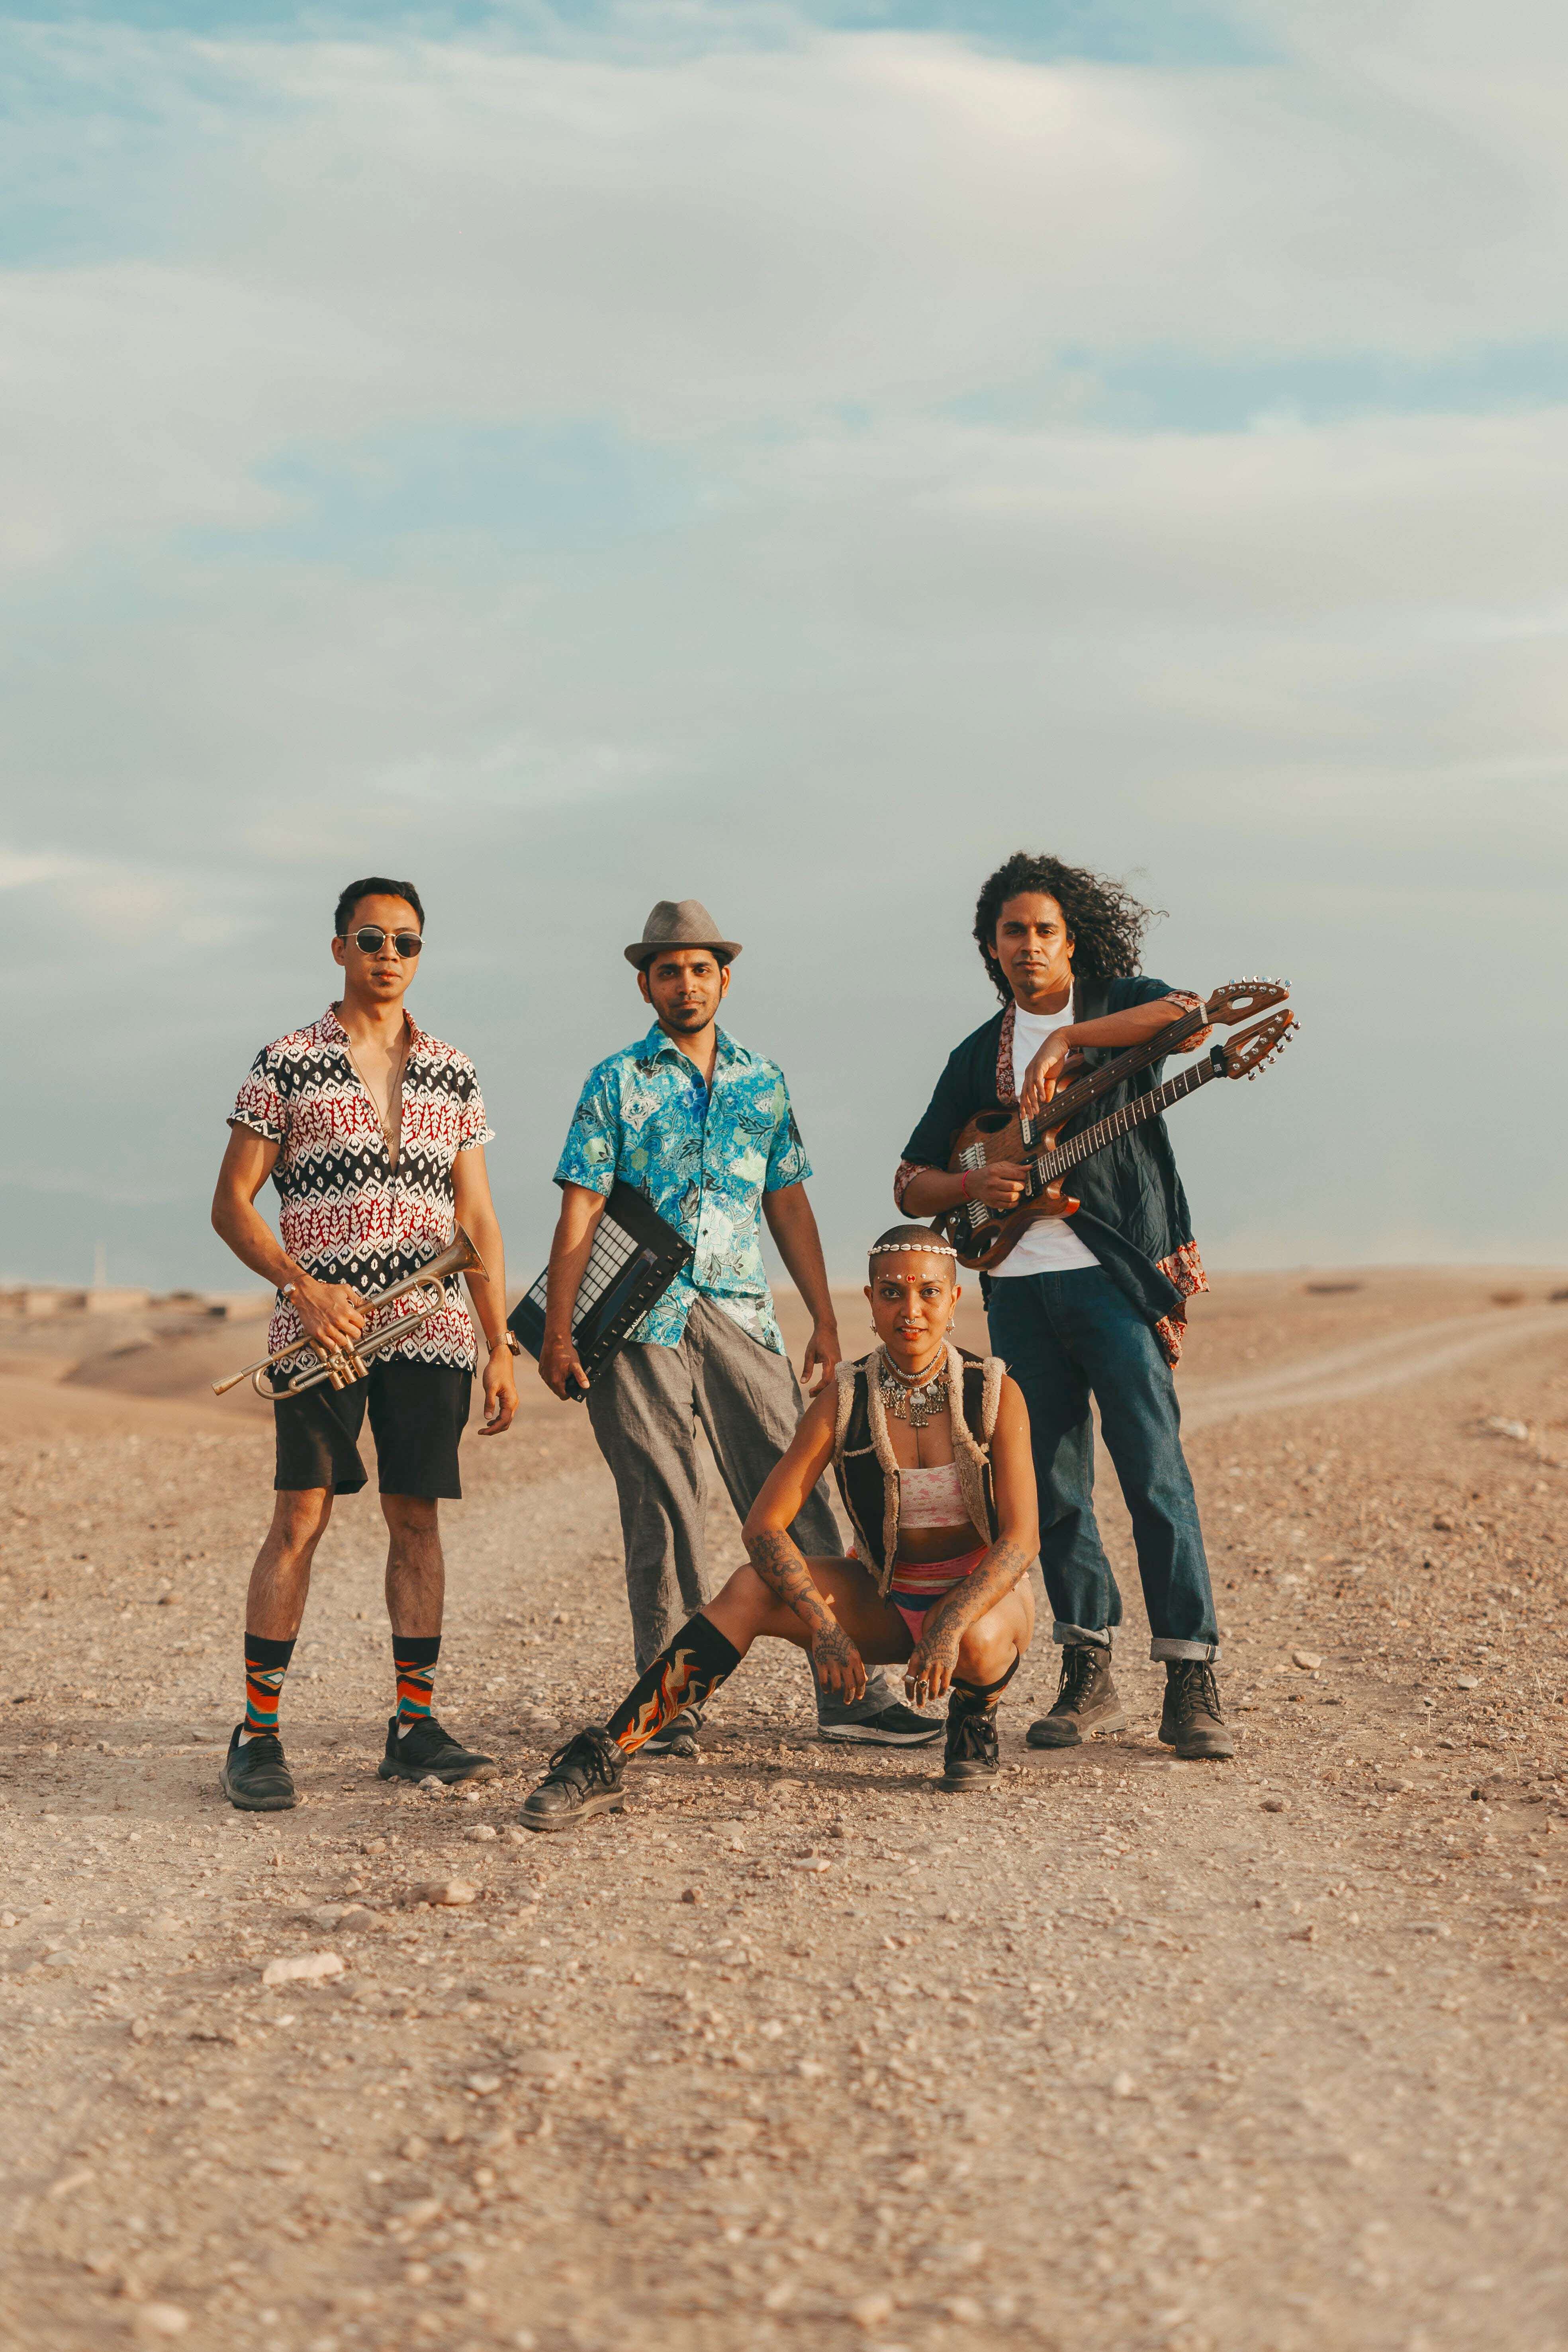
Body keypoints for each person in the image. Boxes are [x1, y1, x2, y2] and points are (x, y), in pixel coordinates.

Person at [537, 898, 936, 1753]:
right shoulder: (617, 1080)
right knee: (662, 1506)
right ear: (646, 984)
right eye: (669, 970)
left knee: (803, 1494)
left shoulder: (764, 1080)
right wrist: (559, 1330)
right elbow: (582, 1207)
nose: (686, 983)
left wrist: (825, 1319)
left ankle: (852, 1692)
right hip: (636, 1319)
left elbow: (787, 1201)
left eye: (701, 968)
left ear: (725, 977)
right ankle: (670, 1702)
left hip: (742, 1310)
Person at [520, 1226, 1037, 1827]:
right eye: (892, 1293)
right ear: (870, 1302)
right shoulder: (843, 1399)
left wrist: (948, 1621)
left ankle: (972, 1720)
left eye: (928, 1293)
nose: (910, 1310)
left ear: (953, 1300)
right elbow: (765, 1526)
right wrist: (823, 1628)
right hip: (890, 1596)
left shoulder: (993, 1392)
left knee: (973, 1640)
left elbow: (1022, 1538)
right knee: (749, 1586)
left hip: (983, 1603)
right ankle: (607, 1753)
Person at [895, 851, 1235, 1761]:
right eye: (1013, 931)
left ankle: (1189, 1676)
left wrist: (1067, 1043)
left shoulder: (1114, 1006)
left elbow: (1191, 1016)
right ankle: (1089, 1672)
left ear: (1070, 938)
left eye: (1044, 929)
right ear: (991, 945)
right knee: (1048, 1489)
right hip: (1016, 1287)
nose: (1029, 945)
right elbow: (910, 1181)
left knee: (1154, 1474)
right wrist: (980, 1179)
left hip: (1113, 1276)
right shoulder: (974, 1056)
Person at [210, 876, 517, 1811]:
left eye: (408, 942)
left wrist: (498, 1343)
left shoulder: (454, 1068)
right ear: (339, 947)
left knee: (415, 1520)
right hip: (318, 1331)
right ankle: (258, 1734)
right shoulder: (285, 1061)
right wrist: (302, 1287)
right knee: (299, 1519)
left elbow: (478, 1217)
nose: (390, 955)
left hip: (432, 1329)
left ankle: (413, 1726)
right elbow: (230, 1205)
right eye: (372, 938)